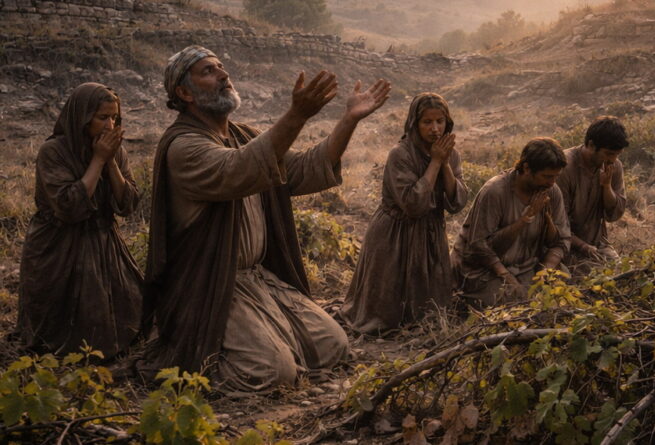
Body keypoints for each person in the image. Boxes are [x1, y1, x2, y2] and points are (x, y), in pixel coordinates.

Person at [143, 45, 390, 393]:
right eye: (208, 71)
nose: (223, 75)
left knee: (333, 345)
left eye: (221, 66)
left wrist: (348, 120)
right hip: (211, 284)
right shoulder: (184, 147)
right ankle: (200, 361)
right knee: (271, 372)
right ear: (184, 93)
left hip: (258, 279)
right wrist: (297, 115)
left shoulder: (242, 135)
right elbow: (240, 169)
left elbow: (302, 170)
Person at [16, 82, 144, 358]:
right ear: (82, 117)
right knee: (57, 331)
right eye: (102, 118)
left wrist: (110, 162)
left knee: (130, 315)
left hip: (103, 244)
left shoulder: (115, 151)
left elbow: (127, 204)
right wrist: (97, 161)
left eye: (115, 118)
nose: (110, 126)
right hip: (59, 247)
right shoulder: (55, 152)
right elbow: (69, 207)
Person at [341, 93, 468, 334]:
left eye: (440, 122)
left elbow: (457, 203)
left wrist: (445, 163)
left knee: (426, 314)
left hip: (429, 235)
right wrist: (434, 163)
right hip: (395, 235)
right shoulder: (400, 154)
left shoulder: (450, 153)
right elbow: (413, 204)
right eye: (427, 122)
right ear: (414, 123)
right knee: (387, 313)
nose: (435, 129)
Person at [451, 137, 570, 307]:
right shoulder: (495, 191)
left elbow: (562, 241)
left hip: (527, 267)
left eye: (555, 177)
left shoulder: (551, 191)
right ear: (527, 168)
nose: (551, 183)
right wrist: (507, 277)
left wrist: (545, 271)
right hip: (486, 271)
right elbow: (478, 245)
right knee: (511, 301)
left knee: (562, 284)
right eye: (546, 176)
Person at [556, 116, 628, 265]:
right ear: (591, 145)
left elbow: (614, 215)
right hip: (562, 245)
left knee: (623, 275)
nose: (613, 160)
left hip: (597, 245)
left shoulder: (614, 166)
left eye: (617, 154)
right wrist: (583, 246)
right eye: (608, 153)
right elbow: (558, 223)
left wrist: (606, 187)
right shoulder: (565, 167)